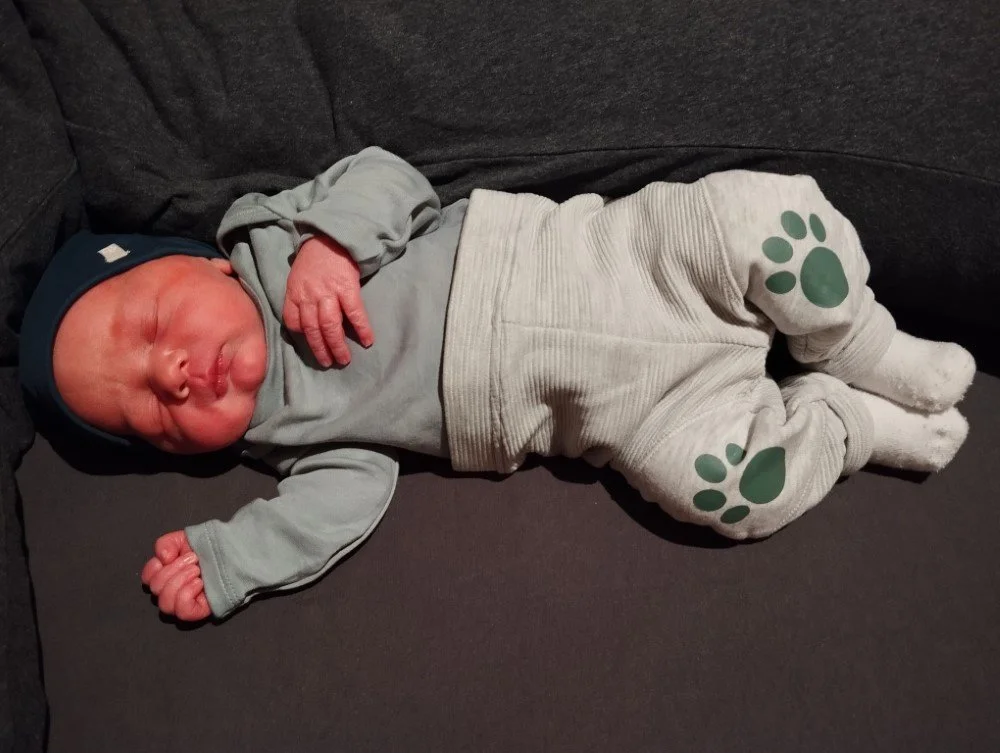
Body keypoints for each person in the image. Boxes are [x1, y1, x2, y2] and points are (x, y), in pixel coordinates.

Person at [18, 147, 975, 623]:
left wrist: (332, 243)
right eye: (151, 411)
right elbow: (346, 500)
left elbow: (392, 179)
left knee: (756, 214)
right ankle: (846, 424)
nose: (172, 373)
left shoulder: (272, 237)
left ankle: (865, 346)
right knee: (725, 491)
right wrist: (233, 559)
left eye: (151, 326)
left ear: (202, 263)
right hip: (616, 410)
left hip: (618, 261)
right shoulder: (290, 439)